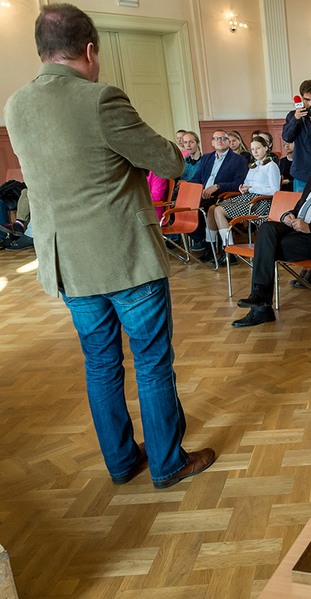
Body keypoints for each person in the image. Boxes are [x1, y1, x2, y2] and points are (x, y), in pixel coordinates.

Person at [4, 3, 215, 488]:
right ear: (90, 49)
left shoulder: (15, 105)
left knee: (100, 364)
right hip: (125, 259)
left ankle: (122, 462)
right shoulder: (100, 99)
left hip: (69, 265)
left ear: (41, 50)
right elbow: (169, 161)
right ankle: (167, 464)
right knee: (151, 362)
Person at [232, 138, 311, 327]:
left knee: (266, 248)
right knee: (267, 228)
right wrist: (288, 215)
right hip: (296, 228)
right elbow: (299, 207)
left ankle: (261, 306)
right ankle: (260, 298)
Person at [204, 136, 281, 264]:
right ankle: (210, 246)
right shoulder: (254, 165)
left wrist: (250, 189)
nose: (255, 152)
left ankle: (229, 250)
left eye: (258, 148)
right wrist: (243, 188)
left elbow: (274, 190)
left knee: (219, 211)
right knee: (212, 209)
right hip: (247, 197)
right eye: (252, 149)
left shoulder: (271, 166)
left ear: (266, 148)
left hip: (260, 202)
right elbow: (247, 183)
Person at [189, 129, 249, 209]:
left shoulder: (239, 160)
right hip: (201, 194)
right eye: (216, 138)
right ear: (212, 143)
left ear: (229, 142)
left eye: (223, 138)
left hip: (219, 197)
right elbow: (197, 177)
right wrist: (188, 187)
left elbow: (238, 184)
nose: (219, 141)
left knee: (192, 209)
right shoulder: (206, 157)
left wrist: (218, 186)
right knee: (178, 205)